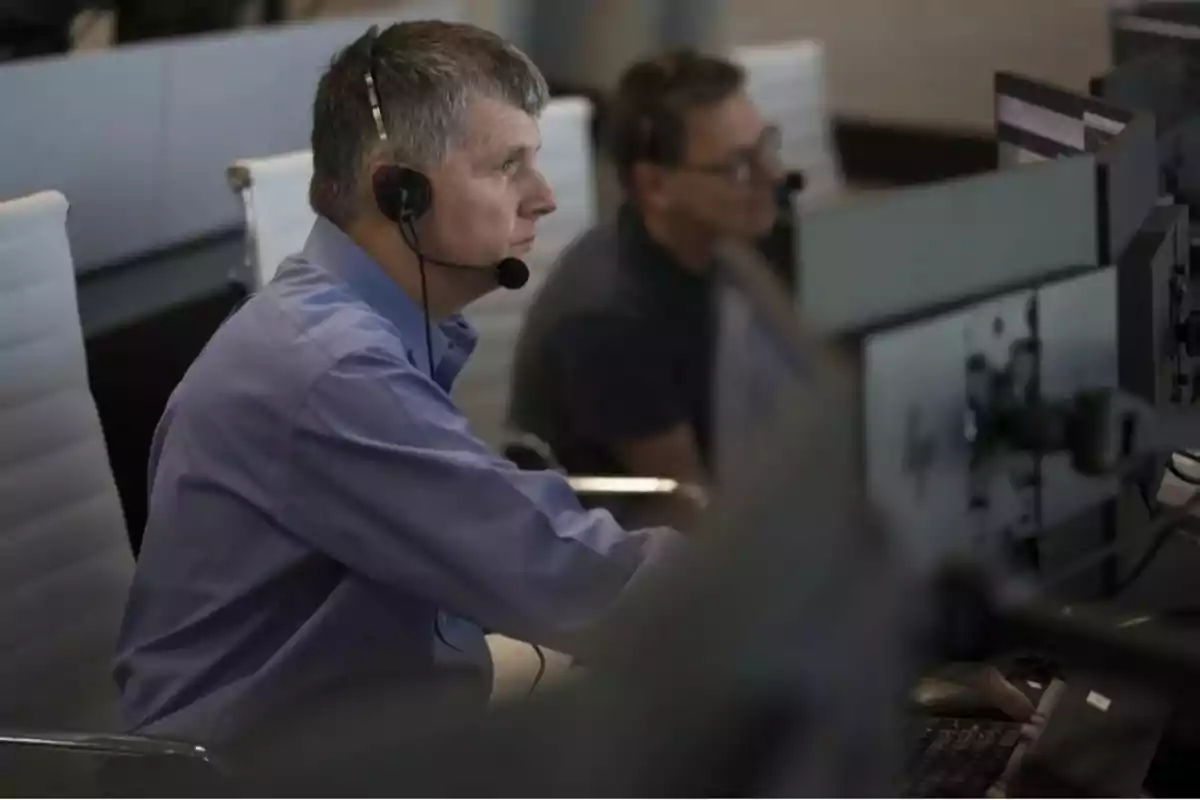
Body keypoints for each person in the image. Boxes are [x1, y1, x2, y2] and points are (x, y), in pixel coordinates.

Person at [114, 20, 681, 744]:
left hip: (371, 723)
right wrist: (754, 584)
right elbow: (562, 573)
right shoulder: (331, 372)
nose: (543, 198)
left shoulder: (361, 332)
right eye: (509, 165)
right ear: (399, 195)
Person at [507, 50, 788, 521]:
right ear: (656, 185)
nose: (773, 175)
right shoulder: (610, 322)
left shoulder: (726, 246)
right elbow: (697, 518)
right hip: (621, 567)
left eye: (768, 146)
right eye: (739, 165)